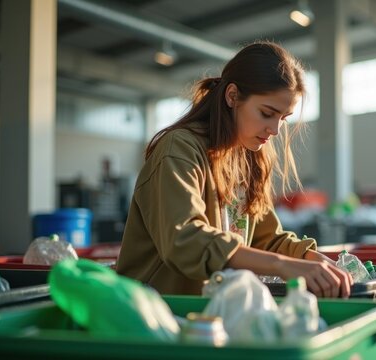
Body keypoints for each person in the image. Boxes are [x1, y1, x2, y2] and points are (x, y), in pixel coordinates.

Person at [116, 41, 352, 298]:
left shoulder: (249, 158)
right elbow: (186, 241)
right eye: (267, 113)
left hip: (212, 311)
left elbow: (267, 239)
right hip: (154, 313)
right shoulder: (179, 150)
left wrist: (310, 258)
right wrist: (283, 266)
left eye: (283, 118)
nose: (275, 130)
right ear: (232, 96)